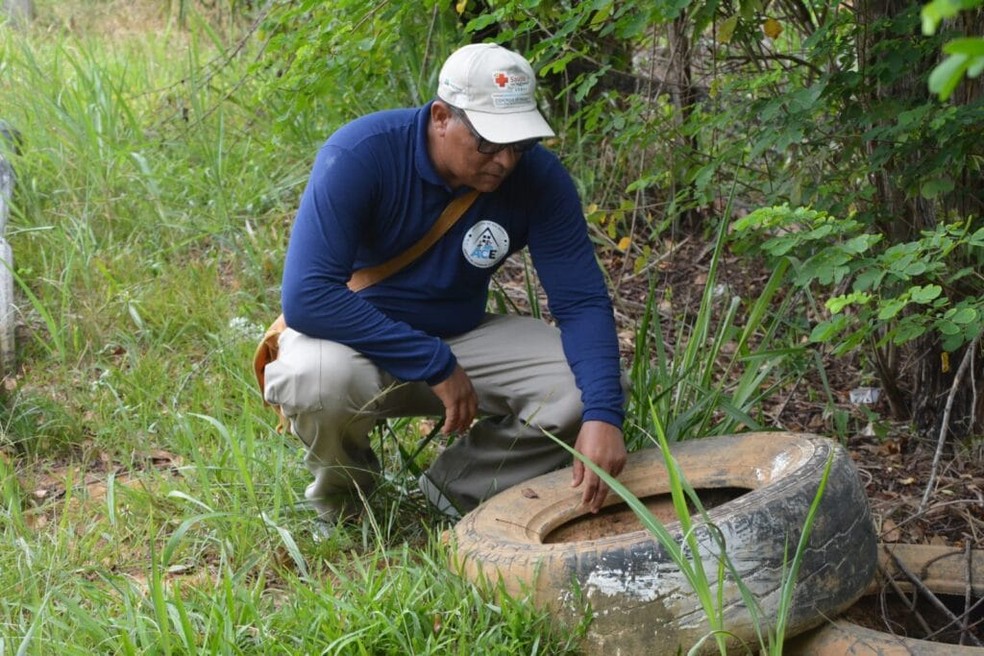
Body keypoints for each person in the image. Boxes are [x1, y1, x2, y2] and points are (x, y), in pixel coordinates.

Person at [261, 43, 627, 522]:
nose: (505, 161)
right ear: (440, 117)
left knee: (586, 386)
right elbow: (308, 297)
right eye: (489, 142)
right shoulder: (361, 153)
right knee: (315, 379)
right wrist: (433, 361)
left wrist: (603, 415)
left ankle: (451, 497)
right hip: (355, 340)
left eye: (519, 144)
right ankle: (347, 508)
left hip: (460, 335)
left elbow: (581, 303)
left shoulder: (538, 178)